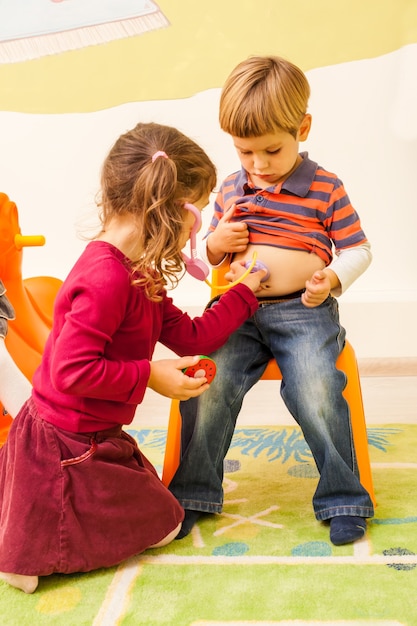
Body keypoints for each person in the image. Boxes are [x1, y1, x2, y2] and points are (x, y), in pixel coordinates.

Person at [0, 122, 267, 594]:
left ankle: (40, 519)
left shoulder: (139, 272)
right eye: (200, 212)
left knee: (165, 518)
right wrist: (150, 376)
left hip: (95, 434)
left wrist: (243, 292)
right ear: (174, 211)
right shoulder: (107, 278)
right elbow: (71, 371)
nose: (199, 226)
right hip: (61, 443)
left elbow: (190, 336)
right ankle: (32, 538)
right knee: (162, 525)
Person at [168, 56, 375, 545]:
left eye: (272, 150)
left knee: (317, 386)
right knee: (207, 384)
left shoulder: (324, 187)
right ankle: (191, 494)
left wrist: (330, 277)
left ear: (302, 128)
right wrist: (218, 242)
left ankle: (343, 497)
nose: (258, 165)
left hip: (301, 312)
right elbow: (210, 259)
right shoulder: (230, 188)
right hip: (235, 311)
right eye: (245, 152)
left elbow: (359, 248)